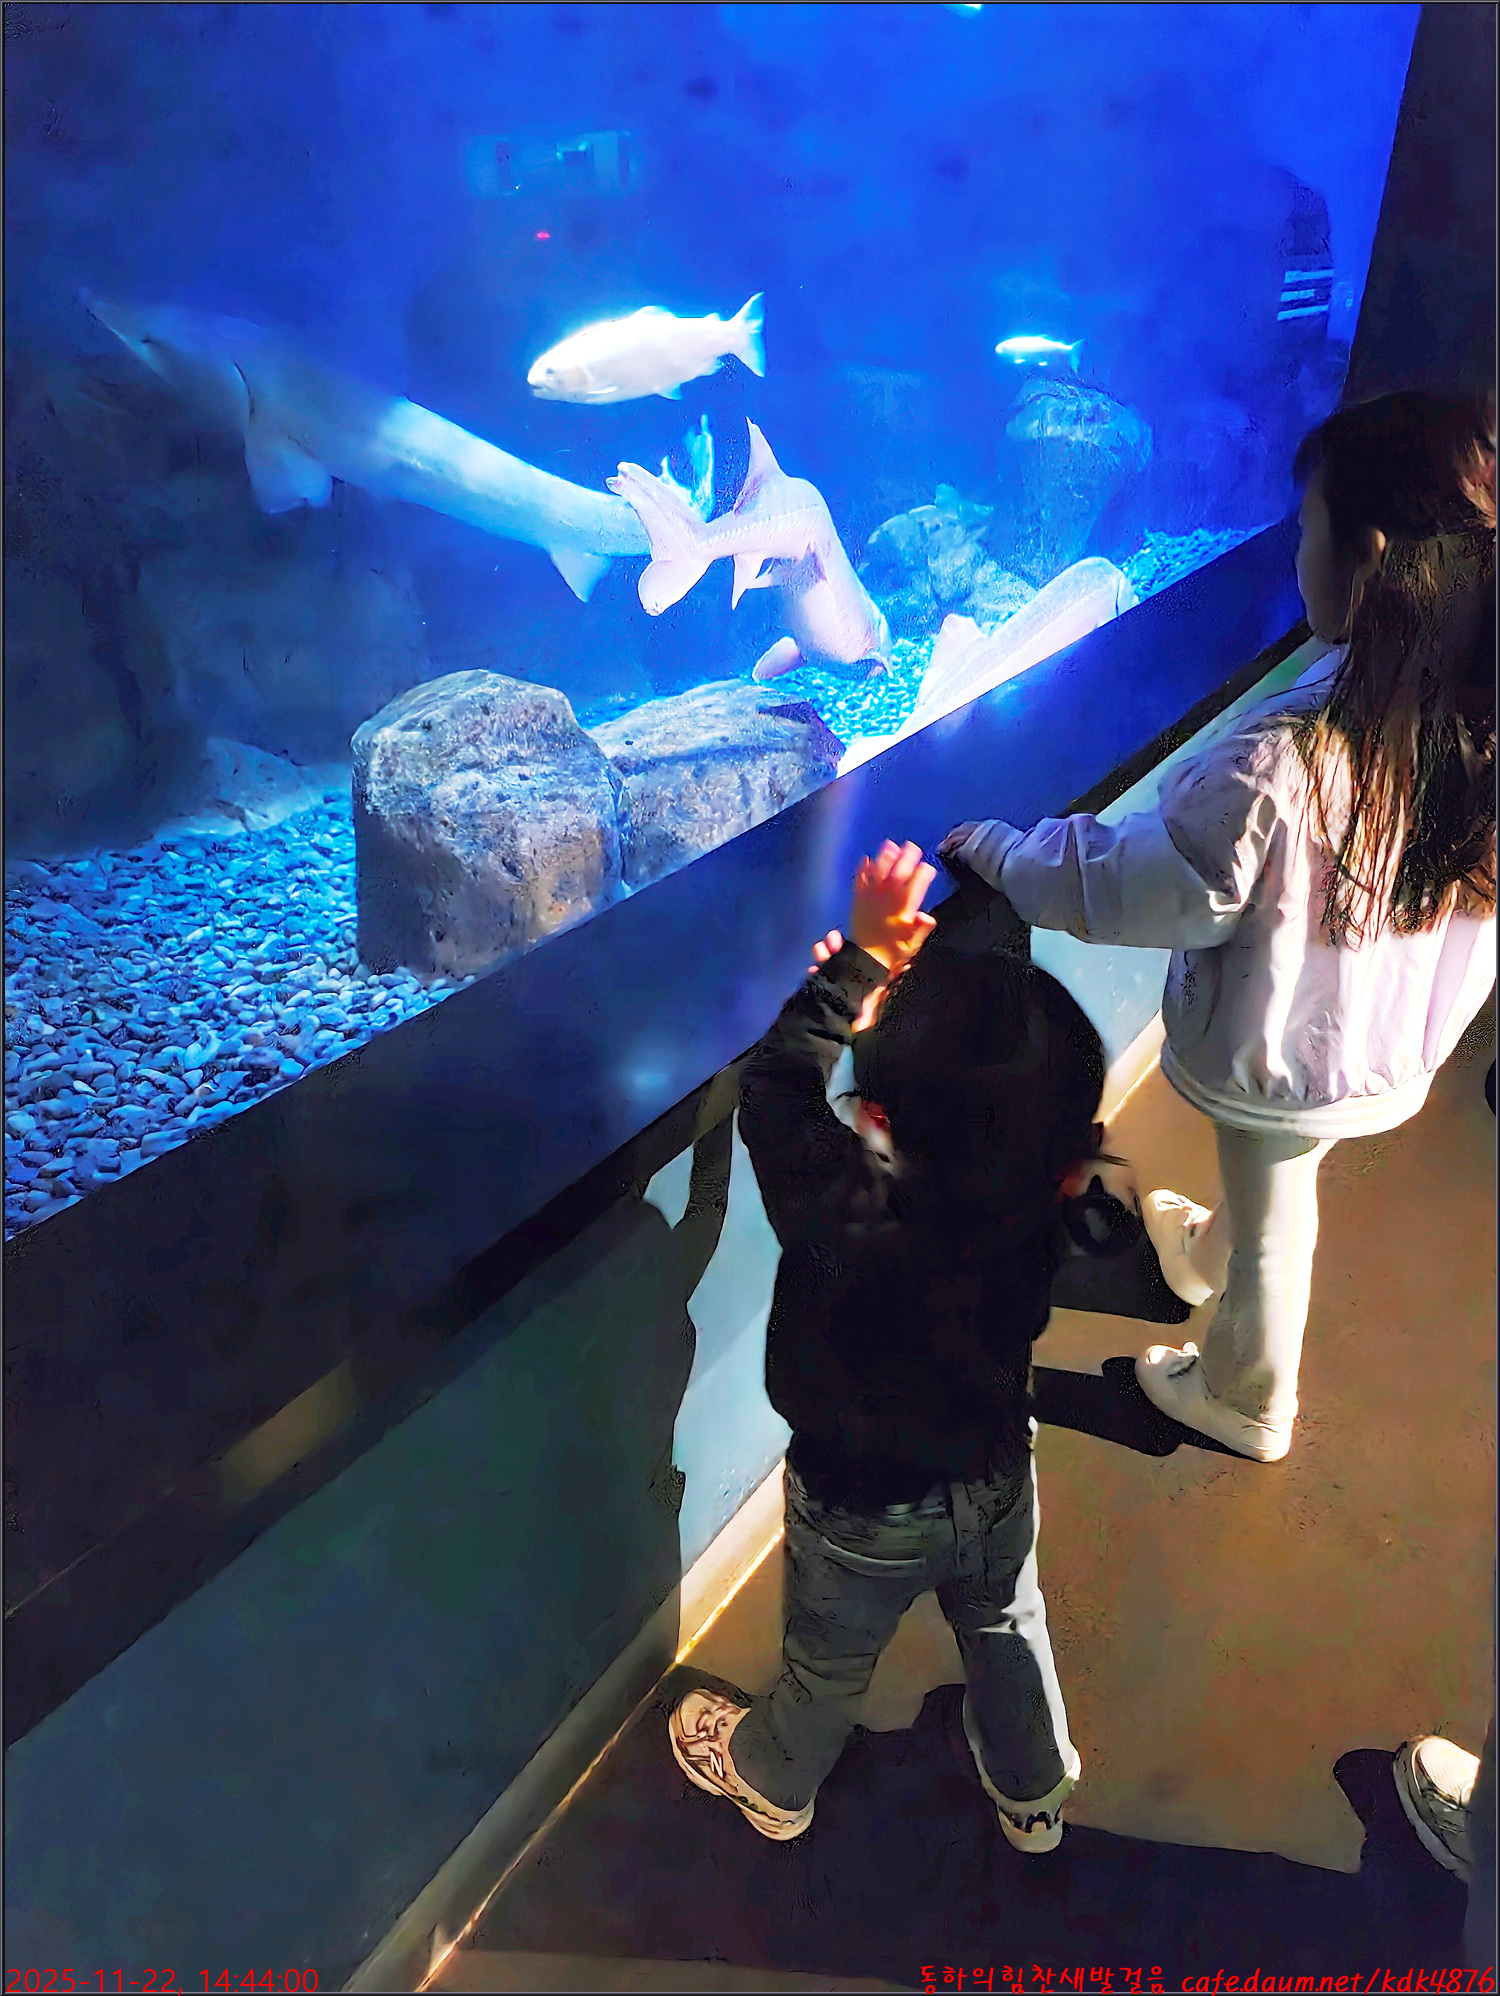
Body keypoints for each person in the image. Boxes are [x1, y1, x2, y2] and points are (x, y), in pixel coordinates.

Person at [940, 389, 1497, 1463]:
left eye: (1305, 529)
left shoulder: (1278, 766)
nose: (1295, 553)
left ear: (1368, 560)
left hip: (1291, 1048)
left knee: (1280, 1213)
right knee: (1280, 1172)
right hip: (1381, 1029)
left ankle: (1247, 1397)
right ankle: (1201, 1257)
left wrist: (1013, 856)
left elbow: (1140, 884)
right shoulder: (1463, 707)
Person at [668, 841, 1108, 1851]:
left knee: (828, 1665)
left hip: (858, 1505)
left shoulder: (844, 1208)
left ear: (872, 1116)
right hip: (994, 1470)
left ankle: (773, 1779)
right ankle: (1034, 1790)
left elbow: (776, 1086)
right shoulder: (1053, 1208)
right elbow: (968, 1126)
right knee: (1007, 1620)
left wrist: (858, 969)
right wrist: (895, 1028)